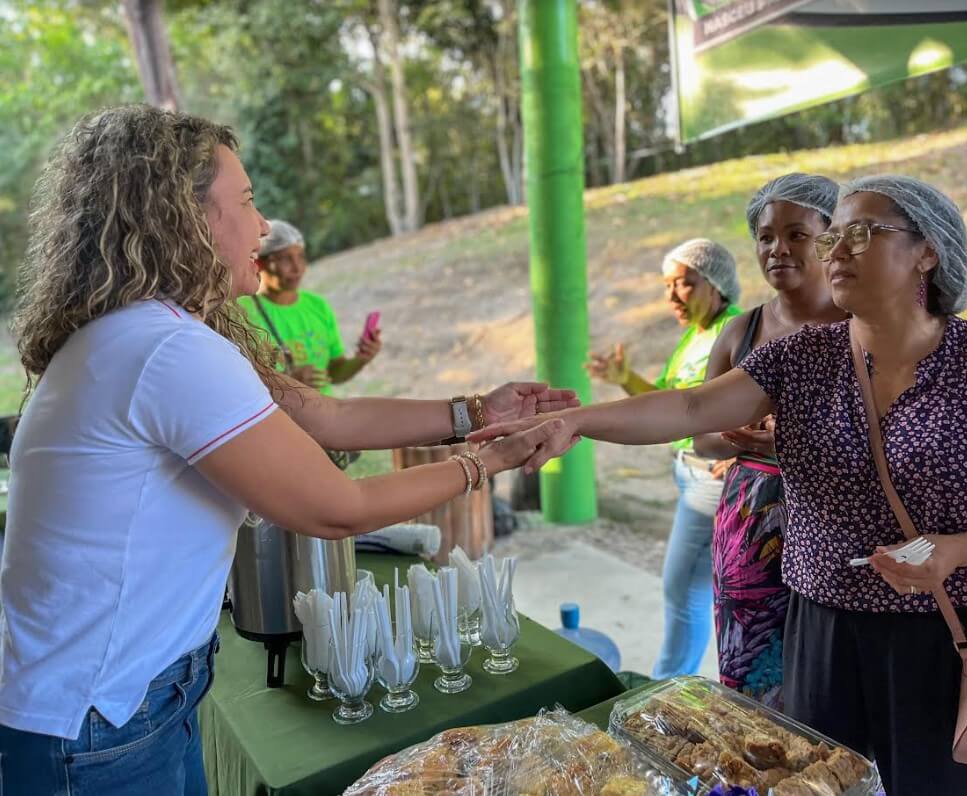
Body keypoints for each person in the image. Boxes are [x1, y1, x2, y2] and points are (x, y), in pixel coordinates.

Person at [0, 105, 574, 795]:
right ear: (185, 218)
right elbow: (339, 507)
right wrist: (492, 459)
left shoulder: (144, 332)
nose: (264, 224)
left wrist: (478, 411)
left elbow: (324, 416)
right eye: (245, 202)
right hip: (99, 722)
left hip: (123, 702)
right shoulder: (164, 350)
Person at [473, 175, 967, 796]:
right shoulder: (802, 356)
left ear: (928, 251)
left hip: (950, 632)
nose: (834, 250)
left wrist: (955, 551)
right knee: (813, 786)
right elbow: (688, 411)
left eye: (861, 233)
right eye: (834, 234)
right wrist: (572, 421)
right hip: (823, 627)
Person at [692, 173, 846, 708]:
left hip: (836, 525)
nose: (777, 248)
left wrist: (791, 445)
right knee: (750, 680)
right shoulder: (742, 331)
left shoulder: (862, 325)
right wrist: (741, 439)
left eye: (796, 234)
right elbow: (701, 438)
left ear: (831, 238)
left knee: (828, 681)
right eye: (765, 237)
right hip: (749, 523)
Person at [587, 239, 742, 679]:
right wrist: (624, 380)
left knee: (682, 590)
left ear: (715, 285)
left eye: (685, 284)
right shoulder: (695, 336)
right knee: (690, 590)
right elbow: (667, 405)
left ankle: (666, 689)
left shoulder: (736, 332)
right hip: (688, 474)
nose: (673, 296)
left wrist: (741, 455)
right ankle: (674, 686)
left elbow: (758, 404)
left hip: (709, 482)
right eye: (668, 285)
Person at [237, 219, 381, 394]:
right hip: (282, 419)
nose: (297, 268)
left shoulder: (318, 306)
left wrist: (361, 359)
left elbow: (334, 373)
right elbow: (238, 387)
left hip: (326, 415)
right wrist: (287, 382)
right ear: (259, 263)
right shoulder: (241, 314)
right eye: (285, 259)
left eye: (300, 257)